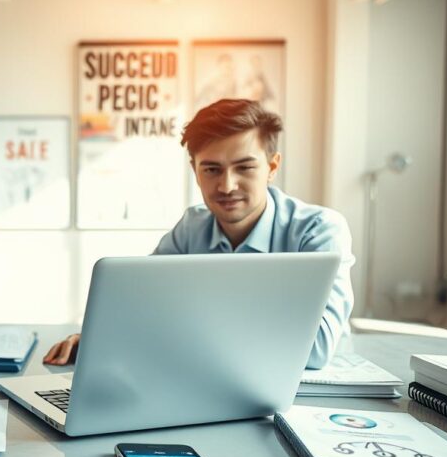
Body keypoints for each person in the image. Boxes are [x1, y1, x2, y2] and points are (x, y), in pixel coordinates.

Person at [43, 99, 354, 369]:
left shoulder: (319, 230)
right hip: (206, 386)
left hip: (309, 400)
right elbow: (141, 307)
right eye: (212, 169)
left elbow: (316, 349)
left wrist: (183, 328)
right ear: (195, 170)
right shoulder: (191, 228)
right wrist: (103, 338)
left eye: (245, 168)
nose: (227, 186)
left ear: (272, 167)